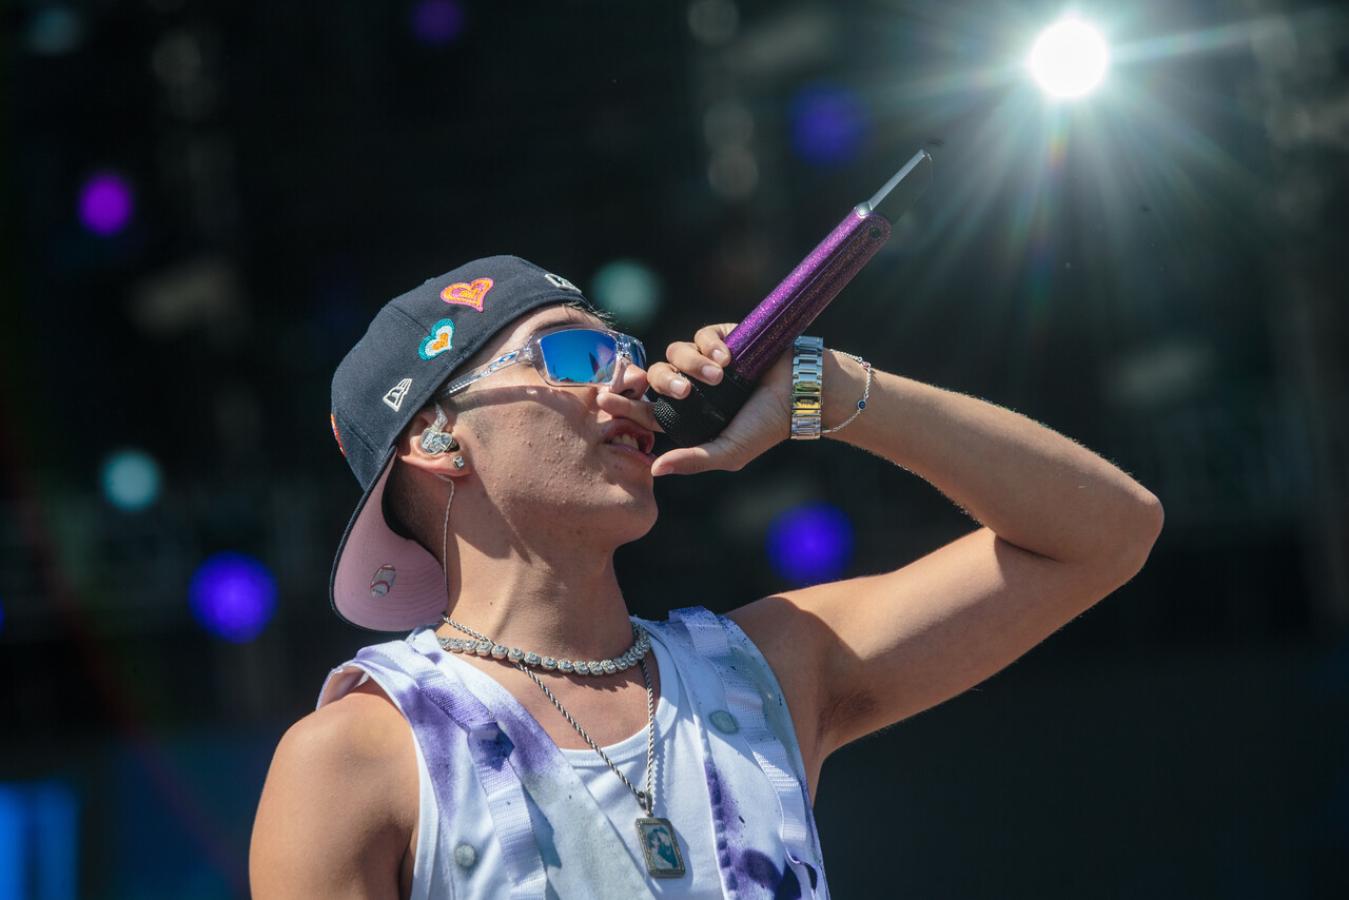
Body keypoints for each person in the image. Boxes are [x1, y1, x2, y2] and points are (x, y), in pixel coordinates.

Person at [249, 255, 1163, 899]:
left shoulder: (765, 671)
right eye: (571, 357)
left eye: (623, 352)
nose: (630, 380)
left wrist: (828, 390)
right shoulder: (358, 759)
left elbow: (1106, 533)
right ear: (436, 437)